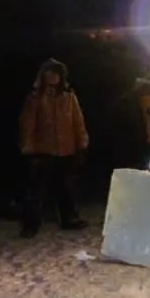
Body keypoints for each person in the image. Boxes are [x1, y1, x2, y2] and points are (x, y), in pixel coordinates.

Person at [18, 58, 90, 237]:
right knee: (37, 190)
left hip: (66, 149)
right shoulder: (35, 98)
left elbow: (78, 122)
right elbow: (27, 124)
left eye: (56, 73)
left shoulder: (69, 97)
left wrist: (81, 144)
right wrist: (28, 147)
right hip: (43, 150)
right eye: (49, 72)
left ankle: (69, 219)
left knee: (67, 187)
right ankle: (31, 225)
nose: (52, 76)